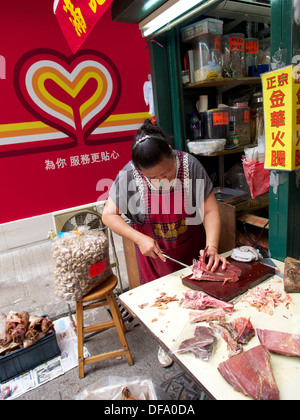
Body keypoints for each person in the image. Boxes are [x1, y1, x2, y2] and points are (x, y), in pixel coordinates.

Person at [102, 120, 227, 366]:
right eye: (153, 177)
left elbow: (210, 210)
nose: (162, 181)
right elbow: (108, 215)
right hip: (154, 257)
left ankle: (204, 340)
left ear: (171, 152)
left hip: (191, 249)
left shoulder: (190, 165)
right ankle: (166, 344)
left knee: (198, 300)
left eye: (166, 173)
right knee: (164, 307)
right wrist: (139, 238)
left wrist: (212, 246)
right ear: (139, 170)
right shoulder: (129, 175)